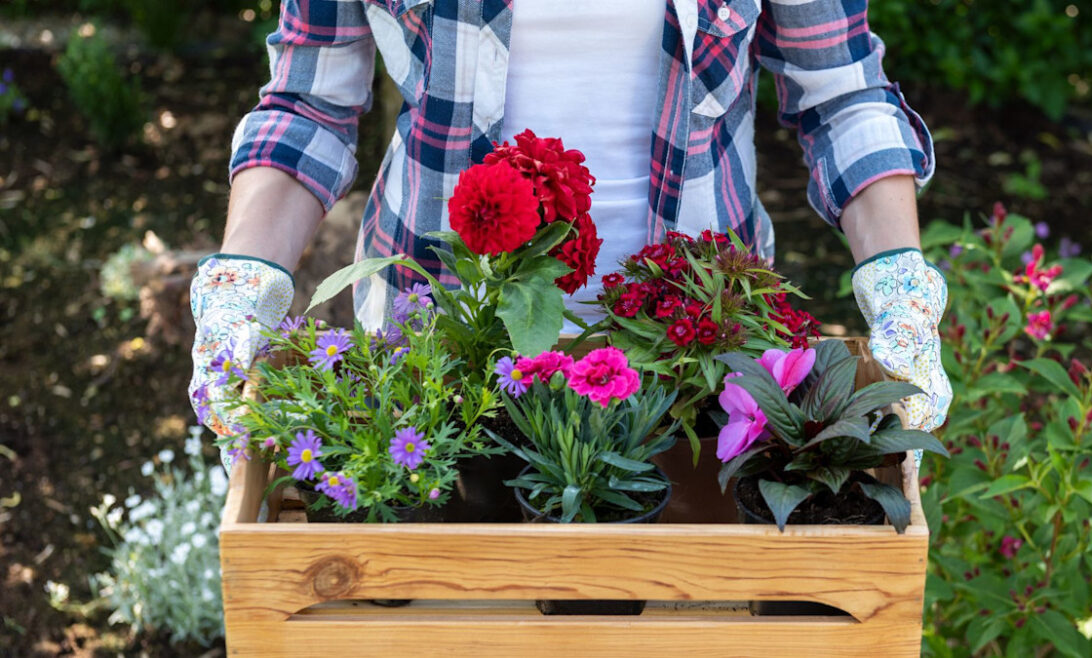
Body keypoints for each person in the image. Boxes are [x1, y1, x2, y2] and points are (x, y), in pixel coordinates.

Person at [189, 0, 952, 471]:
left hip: (698, 369)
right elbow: (310, 106)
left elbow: (841, 94)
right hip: (439, 362)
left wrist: (900, 285)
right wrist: (242, 285)